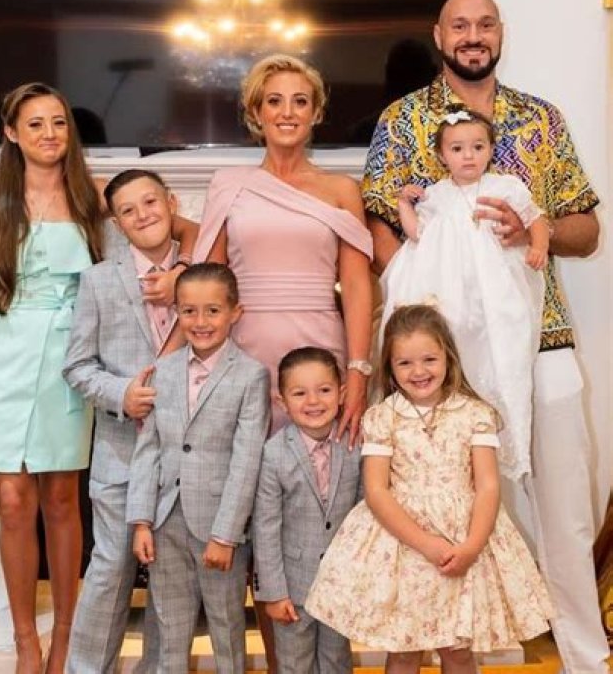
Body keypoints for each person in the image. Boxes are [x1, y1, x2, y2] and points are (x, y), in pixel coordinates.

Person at [362, 0, 608, 673]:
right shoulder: (402, 120)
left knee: (563, 506)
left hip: (542, 337)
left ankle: (586, 657)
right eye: (460, 25)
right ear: (440, 34)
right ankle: (481, 647)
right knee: (449, 508)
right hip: (441, 360)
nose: (474, 36)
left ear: (501, 33)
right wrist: (415, 324)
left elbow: (586, 228)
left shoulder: (541, 120)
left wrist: (533, 231)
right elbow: (380, 224)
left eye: (486, 24)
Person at [305, 304, 554, 671]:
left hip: (464, 541)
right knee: (405, 648)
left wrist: (471, 547)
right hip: (404, 546)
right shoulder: (383, 418)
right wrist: (425, 543)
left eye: (429, 360)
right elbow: (377, 491)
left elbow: (487, 486)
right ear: (390, 366)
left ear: (447, 357)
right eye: (405, 363)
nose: (418, 371)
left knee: (456, 648)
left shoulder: (475, 414)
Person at [0, 82, 104, 674]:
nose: (49, 134)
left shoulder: (93, 198)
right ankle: (25, 642)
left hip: (69, 359)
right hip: (2, 358)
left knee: (63, 498)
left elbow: (174, 227)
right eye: (36, 124)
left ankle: (66, 635)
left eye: (59, 123)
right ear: (12, 133)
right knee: (13, 501)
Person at [193, 53, 373, 439]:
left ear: (316, 113)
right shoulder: (227, 185)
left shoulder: (342, 190)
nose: (287, 112)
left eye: (300, 101)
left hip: (321, 346)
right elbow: (211, 285)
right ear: (256, 113)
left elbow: (357, 285)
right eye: (274, 101)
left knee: (323, 464)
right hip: (244, 347)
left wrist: (359, 369)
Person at [63, 169, 194, 673]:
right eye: (128, 210)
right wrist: (122, 394)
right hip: (121, 454)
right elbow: (77, 366)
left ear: (171, 202)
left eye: (151, 202)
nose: (143, 215)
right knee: (109, 571)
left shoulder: (201, 273)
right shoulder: (99, 280)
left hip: (183, 461)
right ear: (116, 224)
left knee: (172, 581)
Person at [382, 107, 548, 480]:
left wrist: (538, 245)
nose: (468, 156)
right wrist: (404, 204)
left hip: (495, 288)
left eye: (477, 147)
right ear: (442, 155)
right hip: (452, 292)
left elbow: (536, 218)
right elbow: (417, 235)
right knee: (457, 351)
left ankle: (505, 437)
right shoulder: (436, 195)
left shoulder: (505, 186)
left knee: (502, 351)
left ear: (491, 149)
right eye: (457, 149)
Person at [128, 263, 270, 674]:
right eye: (189, 311)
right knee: (169, 628)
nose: (200, 321)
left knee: (226, 627)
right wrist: (142, 521)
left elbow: (246, 461)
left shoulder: (251, 376)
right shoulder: (163, 370)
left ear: (235, 313)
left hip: (219, 528)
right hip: (166, 522)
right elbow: (148, 449)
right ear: (176, 312)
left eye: (212, 311)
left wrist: (225, 535)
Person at [253, 347, 361, 674]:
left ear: (342, 394)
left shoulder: (355, 445)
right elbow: (266, 529)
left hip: (340, 584)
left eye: (324, 390)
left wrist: (360, 580)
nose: (313, 401)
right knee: (293, 665)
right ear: (281, 401)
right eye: (299, 393)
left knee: (337, 662)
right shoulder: (273, 454)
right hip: (292, 588)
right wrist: (273, 593)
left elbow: (363, 518)